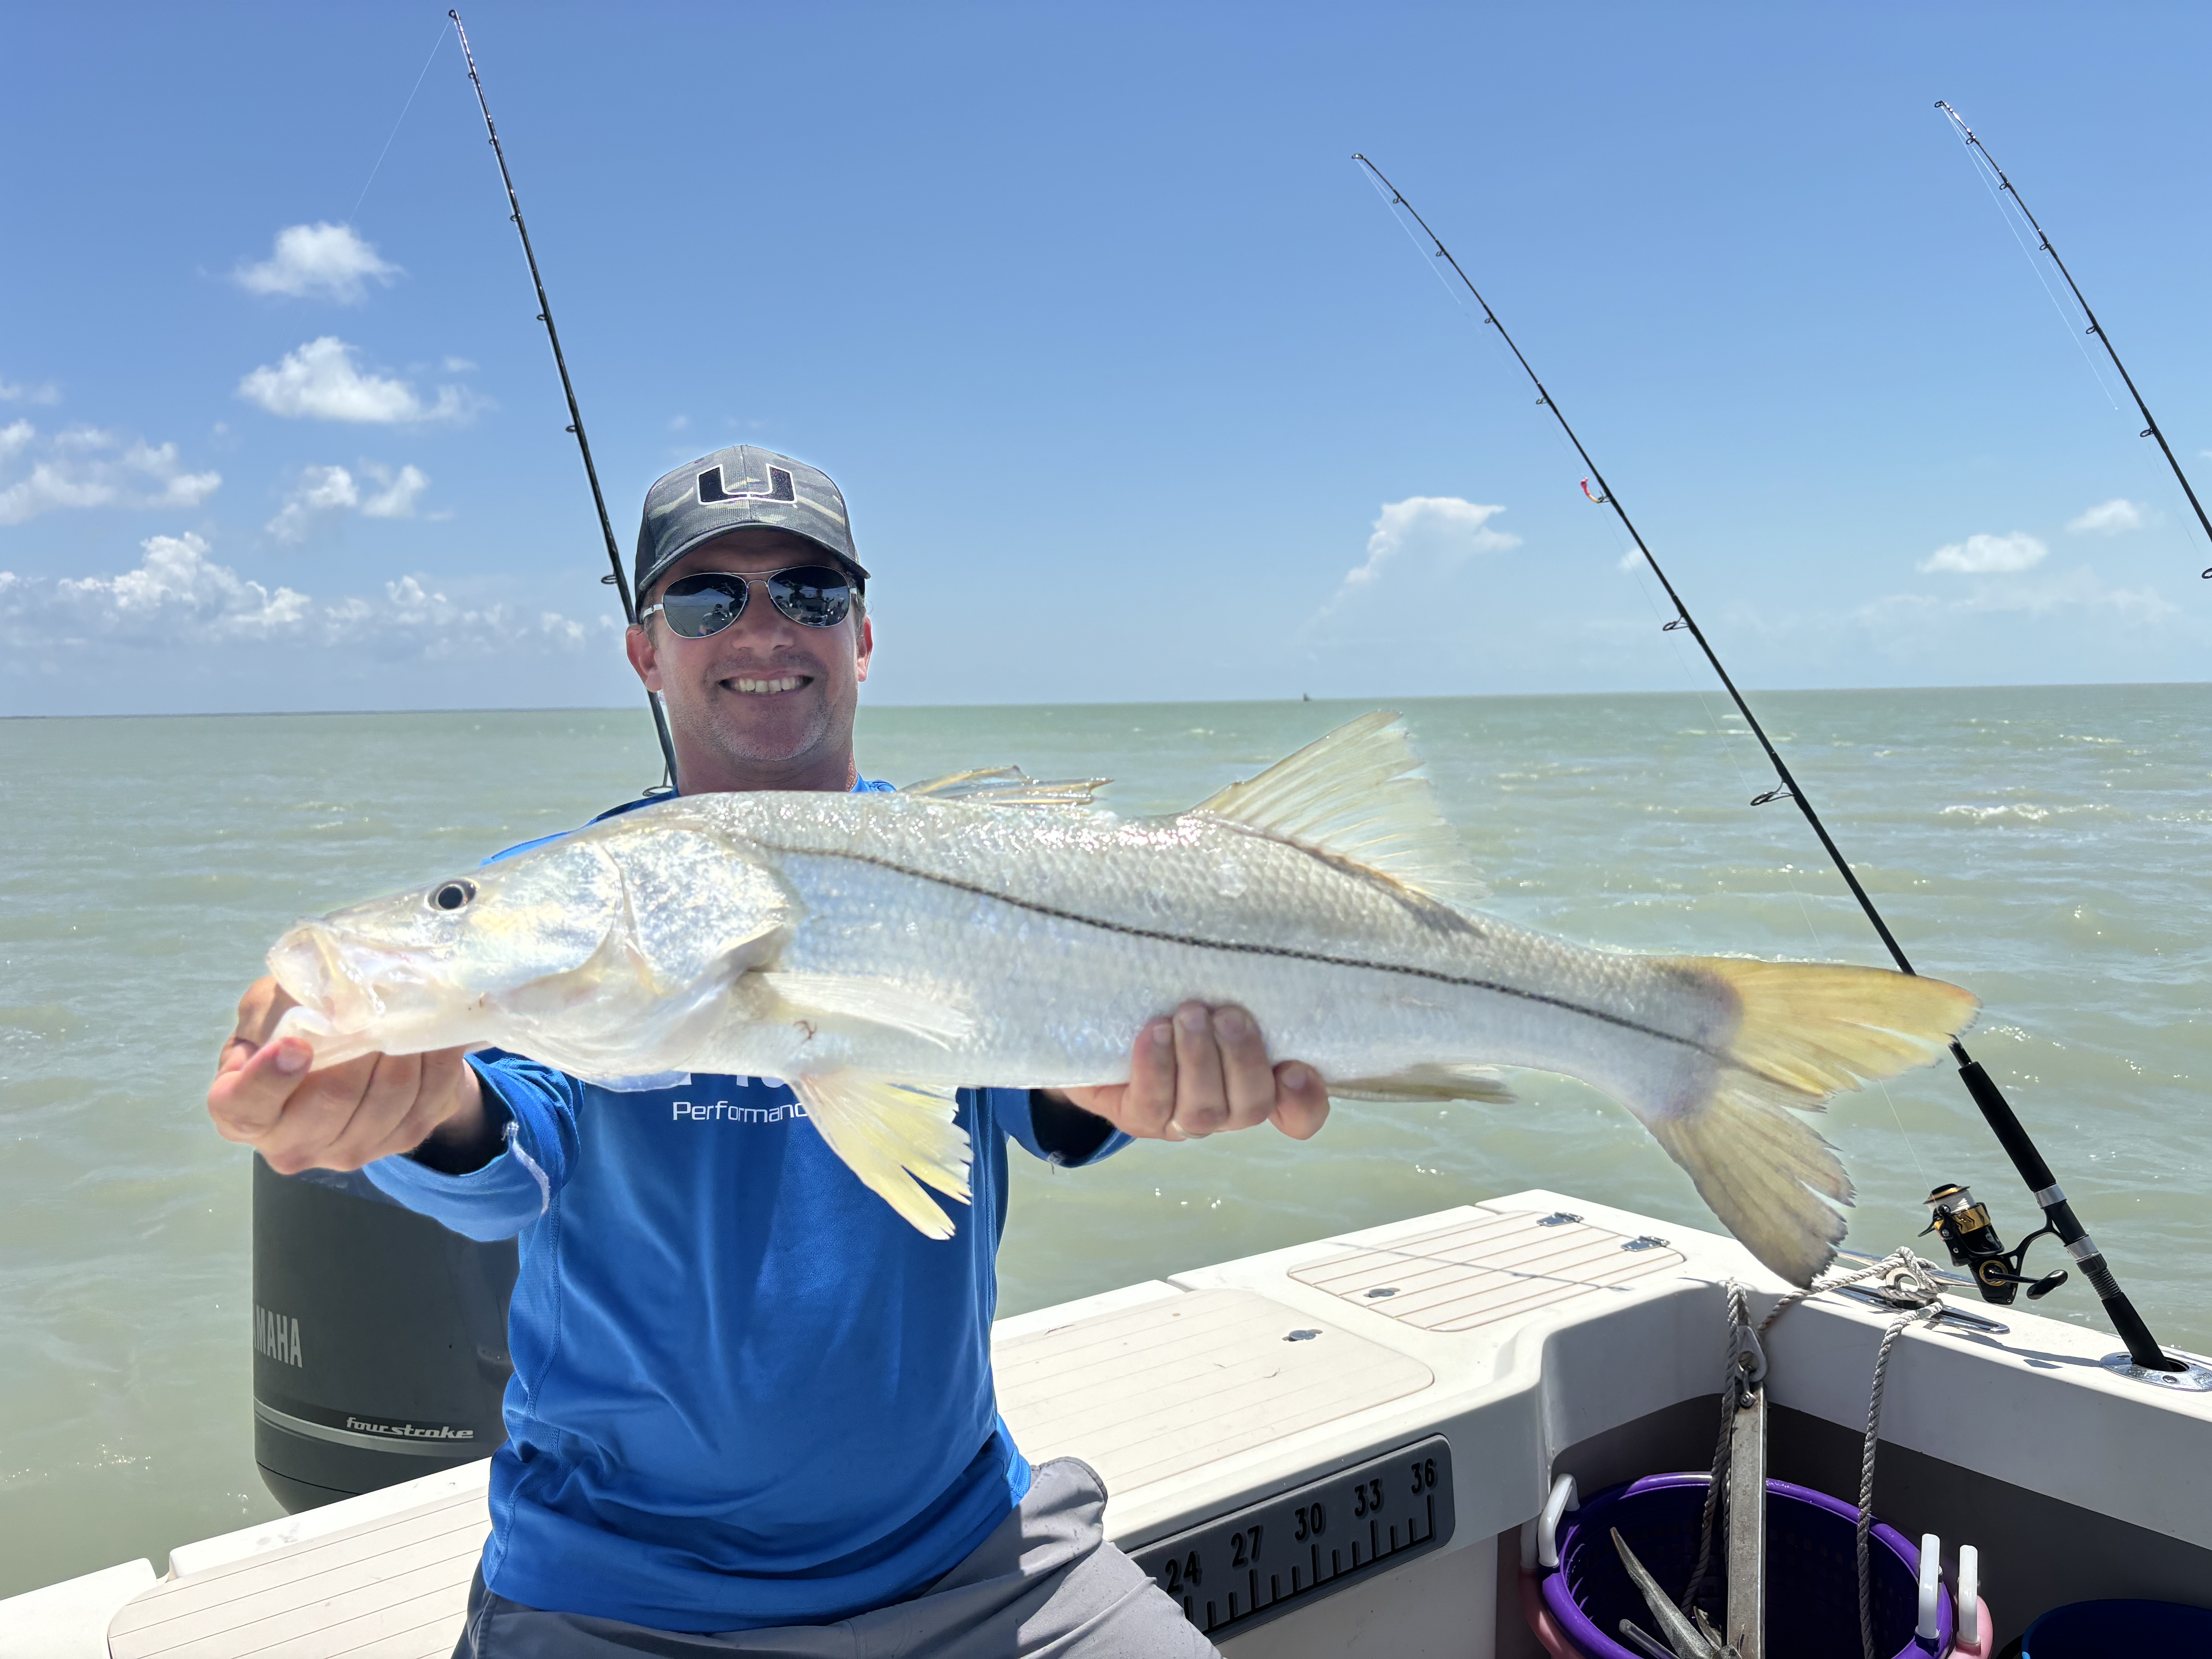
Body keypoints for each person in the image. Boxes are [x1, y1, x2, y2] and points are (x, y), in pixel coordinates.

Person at [206, 445, 1331, 1657]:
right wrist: (418, 1111)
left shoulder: (973, 868)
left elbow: (1053, 1093)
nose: (762, 628)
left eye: (810, 592)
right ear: (644, 650)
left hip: (976, 1558)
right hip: (615, 1599)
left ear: (862, 636)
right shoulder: (581, 904)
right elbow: (499, 1144)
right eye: (705, 598)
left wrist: (1136, 1080)